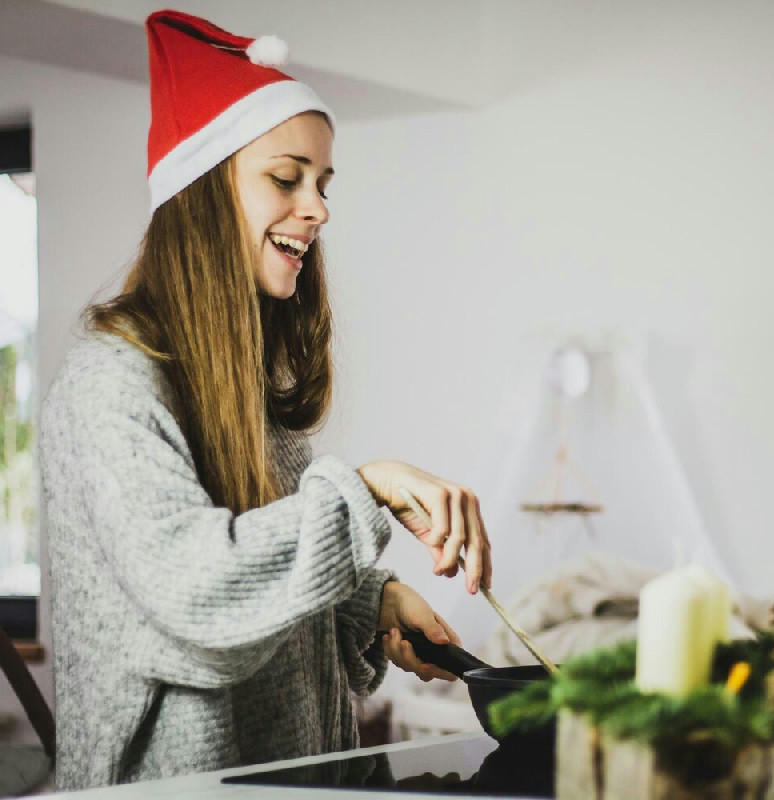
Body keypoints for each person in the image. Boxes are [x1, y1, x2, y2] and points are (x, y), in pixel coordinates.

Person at [40, 9, 490, 790]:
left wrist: (369, 601)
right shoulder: (106, 389)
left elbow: (259, 561)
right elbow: (198, 595)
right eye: (287, 178)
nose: (317, 207)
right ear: (203, 195)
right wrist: (368, 487)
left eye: (321, 183)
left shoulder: (248, 386)